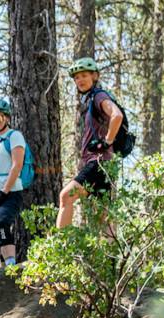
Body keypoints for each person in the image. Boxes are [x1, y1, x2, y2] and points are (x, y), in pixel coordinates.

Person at [57, 57, 124, 229]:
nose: (80, 80)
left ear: (95, 76)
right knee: (102, 217)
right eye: (76, 77)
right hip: (105, 165)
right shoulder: (91, 99)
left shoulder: (98, 96)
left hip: (98, 163)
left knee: (66, 196)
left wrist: (107, 141)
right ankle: (112, 248)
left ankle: (60, 245)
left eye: (84, 75)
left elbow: (117, 115)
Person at [0, 97, 28, 266]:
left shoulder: (15, 136)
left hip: (10, 191)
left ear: (7, 117)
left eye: (0, 116)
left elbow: (17, 165)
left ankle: (11, 266)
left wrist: (5, 191)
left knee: (2, 223)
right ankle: (4, 269)